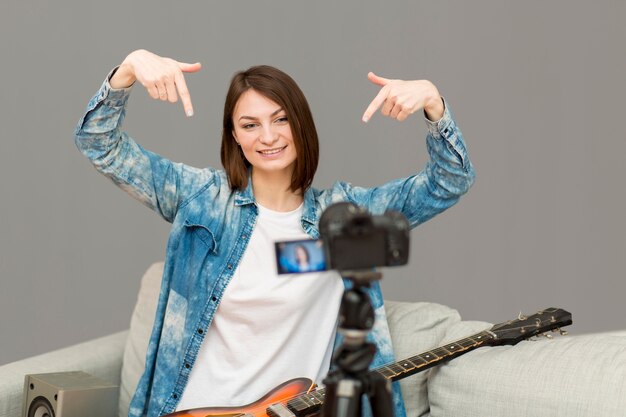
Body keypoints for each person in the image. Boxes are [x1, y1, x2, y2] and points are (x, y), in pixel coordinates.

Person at [74, 49, 475, 417]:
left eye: (280, 119)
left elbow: (449, 182)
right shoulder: (201, 199)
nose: (268, 137)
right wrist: (126, 72)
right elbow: (98, 144)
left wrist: (434, 106)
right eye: (250, 125)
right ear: (235, 136)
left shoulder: (346, 218)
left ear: (300, 124)